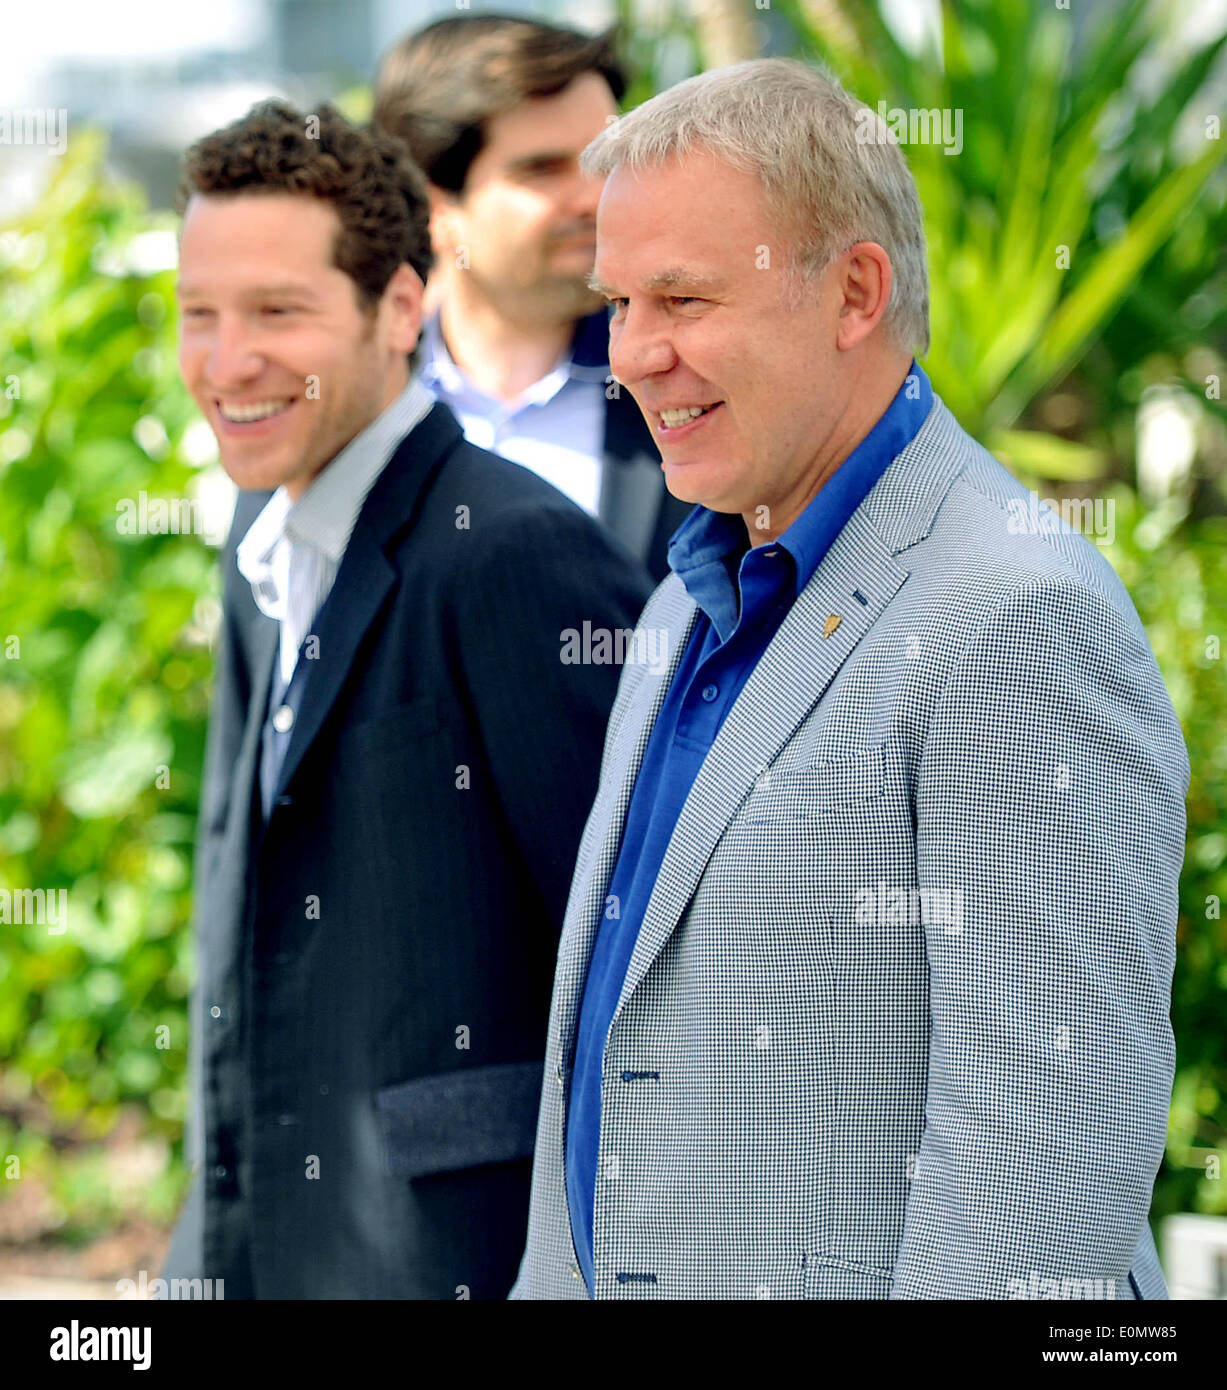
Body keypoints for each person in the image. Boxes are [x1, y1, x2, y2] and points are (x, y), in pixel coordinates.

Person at [511, 59, 1189, 1300]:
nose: (634, 354)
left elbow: (1039, 1179)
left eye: (682, 296)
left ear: (856, 292)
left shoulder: (1017, 616)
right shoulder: (681, 603)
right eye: (618, 301)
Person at [160, 99, 652, 1299]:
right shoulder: (255, 545)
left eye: (278, 311)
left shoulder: (514, 551)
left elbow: (638, 974)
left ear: (398, 307)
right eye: (199, 316)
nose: (227, 364)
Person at [373, 12, 692, 583]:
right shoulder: (352, 406)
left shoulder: (694, 384)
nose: (596, 197)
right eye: (542, 170)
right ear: (434, 207)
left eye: (608, 159)